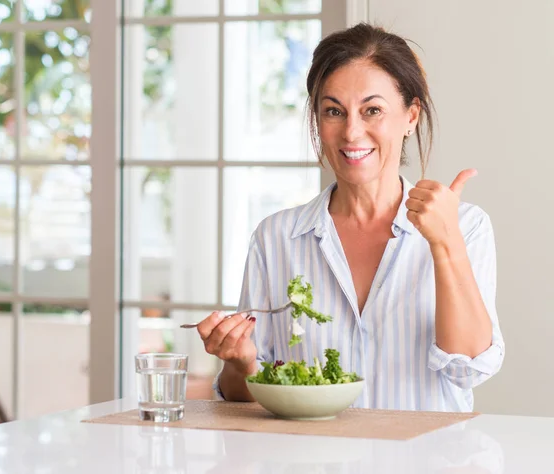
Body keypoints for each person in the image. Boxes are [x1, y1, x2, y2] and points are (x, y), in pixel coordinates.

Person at [197, 23, 504, 412]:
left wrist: (446, 243)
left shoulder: (467, 226)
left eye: (372, 110)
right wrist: (239, 362)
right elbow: (247, 394)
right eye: (333, 111)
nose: (351, 132)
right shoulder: (276, 237)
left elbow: (469, 368)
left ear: (411, 116)